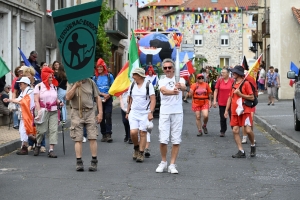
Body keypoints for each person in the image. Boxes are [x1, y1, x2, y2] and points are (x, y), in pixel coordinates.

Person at [155, 58, 186, 174]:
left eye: (170, 67)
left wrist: (181, 87)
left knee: (176, 139)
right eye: (165, 68)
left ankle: (172, 164)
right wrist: (174, 91)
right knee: (163, 139)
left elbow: (184, 88)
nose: (167, 70)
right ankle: (163, 162)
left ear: (174, 68)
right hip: (164, 112)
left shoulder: (180, 79)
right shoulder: (161, 80)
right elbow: (163, 91)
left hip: (177, 112)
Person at [66, 78, 103, 171]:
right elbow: (68, 97)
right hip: (76, 112)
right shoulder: (71, 82)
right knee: (77, 138)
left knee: (92, 137)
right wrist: (75, 86)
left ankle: (94, 161)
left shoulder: (90, 82)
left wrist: (100, 113)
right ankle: (79, 162)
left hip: (90, 112)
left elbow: (97, 97)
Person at [224, 65, 256, 158]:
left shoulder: (246, 83)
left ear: (239, 74)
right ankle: (241, 150)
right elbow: (230, 97)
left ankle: (253, 145)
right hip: (234, 111)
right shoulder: (233, 84)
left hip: (245, 110)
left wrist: (240, 94)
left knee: (248, 130)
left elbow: (252, 97)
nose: (232, 73)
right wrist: (226, 110)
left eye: (234, 72)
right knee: (235, 130)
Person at [126, 68, 156, 163]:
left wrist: (150, 112)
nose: (133, 76)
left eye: (134, 74)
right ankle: (136, 147)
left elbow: (153, 99)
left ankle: (141, 153)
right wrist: (127, 111)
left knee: (143, 133)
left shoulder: (148, 85)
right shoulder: (132, 85)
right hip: (134, 112)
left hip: (145, 113)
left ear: (139, 76)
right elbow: (130, 99)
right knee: (133, 132)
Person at [33, 67, 63, 158]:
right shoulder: (38, 87)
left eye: (52, 77)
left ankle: (51, 150)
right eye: (49, 77)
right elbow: (36, 101)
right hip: (42, 110)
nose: (52, 79)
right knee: (41, 131)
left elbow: (55, 98)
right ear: (45, 77)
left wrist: (59, 102)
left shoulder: (54, 86)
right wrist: (39, 112)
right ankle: (38, 144)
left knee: (53, 130)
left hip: (53, 111)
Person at [3, 77, 36, 155]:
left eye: (20, 83)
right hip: (25, 113)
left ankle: (28, 146)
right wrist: (9, 100)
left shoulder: (30, 92)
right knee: (25, 131)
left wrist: (10, 100)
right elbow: (19, 99)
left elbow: (22, 102)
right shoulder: (24, 91)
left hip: (29, 114)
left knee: (25, 130)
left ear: (25, 84)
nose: (19, 84)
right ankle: (33, 143)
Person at [23, 66, 46, 153]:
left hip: (38, 106)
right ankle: (31, 144)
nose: (27, 77)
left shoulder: (38, 83)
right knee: (30, 126)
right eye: (26, 76)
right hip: (28, 107)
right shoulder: (25, 84)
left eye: (29, 75)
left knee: (39, 126)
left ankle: (42, 145)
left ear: (32, 75)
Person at [93, 58, 114, 143]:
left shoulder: (109, 76)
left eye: (101, 67)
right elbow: (94, 89)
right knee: (101, 116)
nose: (100, 69)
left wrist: (108, 95)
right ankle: (104, 134)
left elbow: (113, 87)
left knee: (108, 115)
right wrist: (102, 94)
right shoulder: (95, 77)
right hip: (99, 99)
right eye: (98, 67)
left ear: (104, 67)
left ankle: (109, 134)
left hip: (108, 98)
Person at [213, 68, 234, 137]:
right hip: (221, 101)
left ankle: (234, 129)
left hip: (231, 102)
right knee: (222, 117)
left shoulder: (232, 80)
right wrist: (214, 100)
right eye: (222, 72)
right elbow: (216, 90)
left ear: (228, 73)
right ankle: (222, 131)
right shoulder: (220, 80)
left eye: (224, 73)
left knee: (232, 117)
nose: (222, 74)